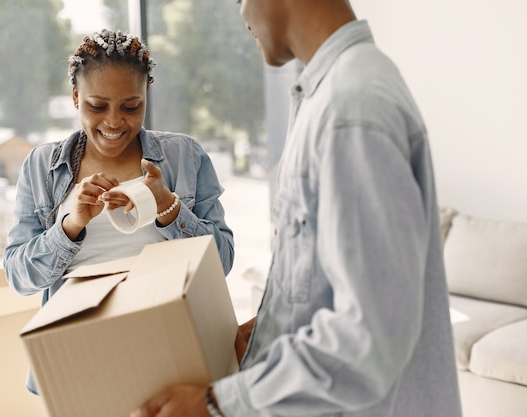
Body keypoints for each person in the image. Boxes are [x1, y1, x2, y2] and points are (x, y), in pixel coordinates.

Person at [131, 1, 462, 417]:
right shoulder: (333, 93)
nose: (241, 15)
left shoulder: (350, 107)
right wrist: (278, 326)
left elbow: (370, 336)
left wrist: (215, 404)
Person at [3, 29, 234, 395]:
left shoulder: (184, 156)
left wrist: (167, 206)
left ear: (145, 98)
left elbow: (221, 262)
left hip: (172, 347)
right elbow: (18, 276)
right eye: (97, 106)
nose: (114, 122)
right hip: (79, 361)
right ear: (76, 97)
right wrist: (71, 225)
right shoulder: (42, 166)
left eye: (131, 106)